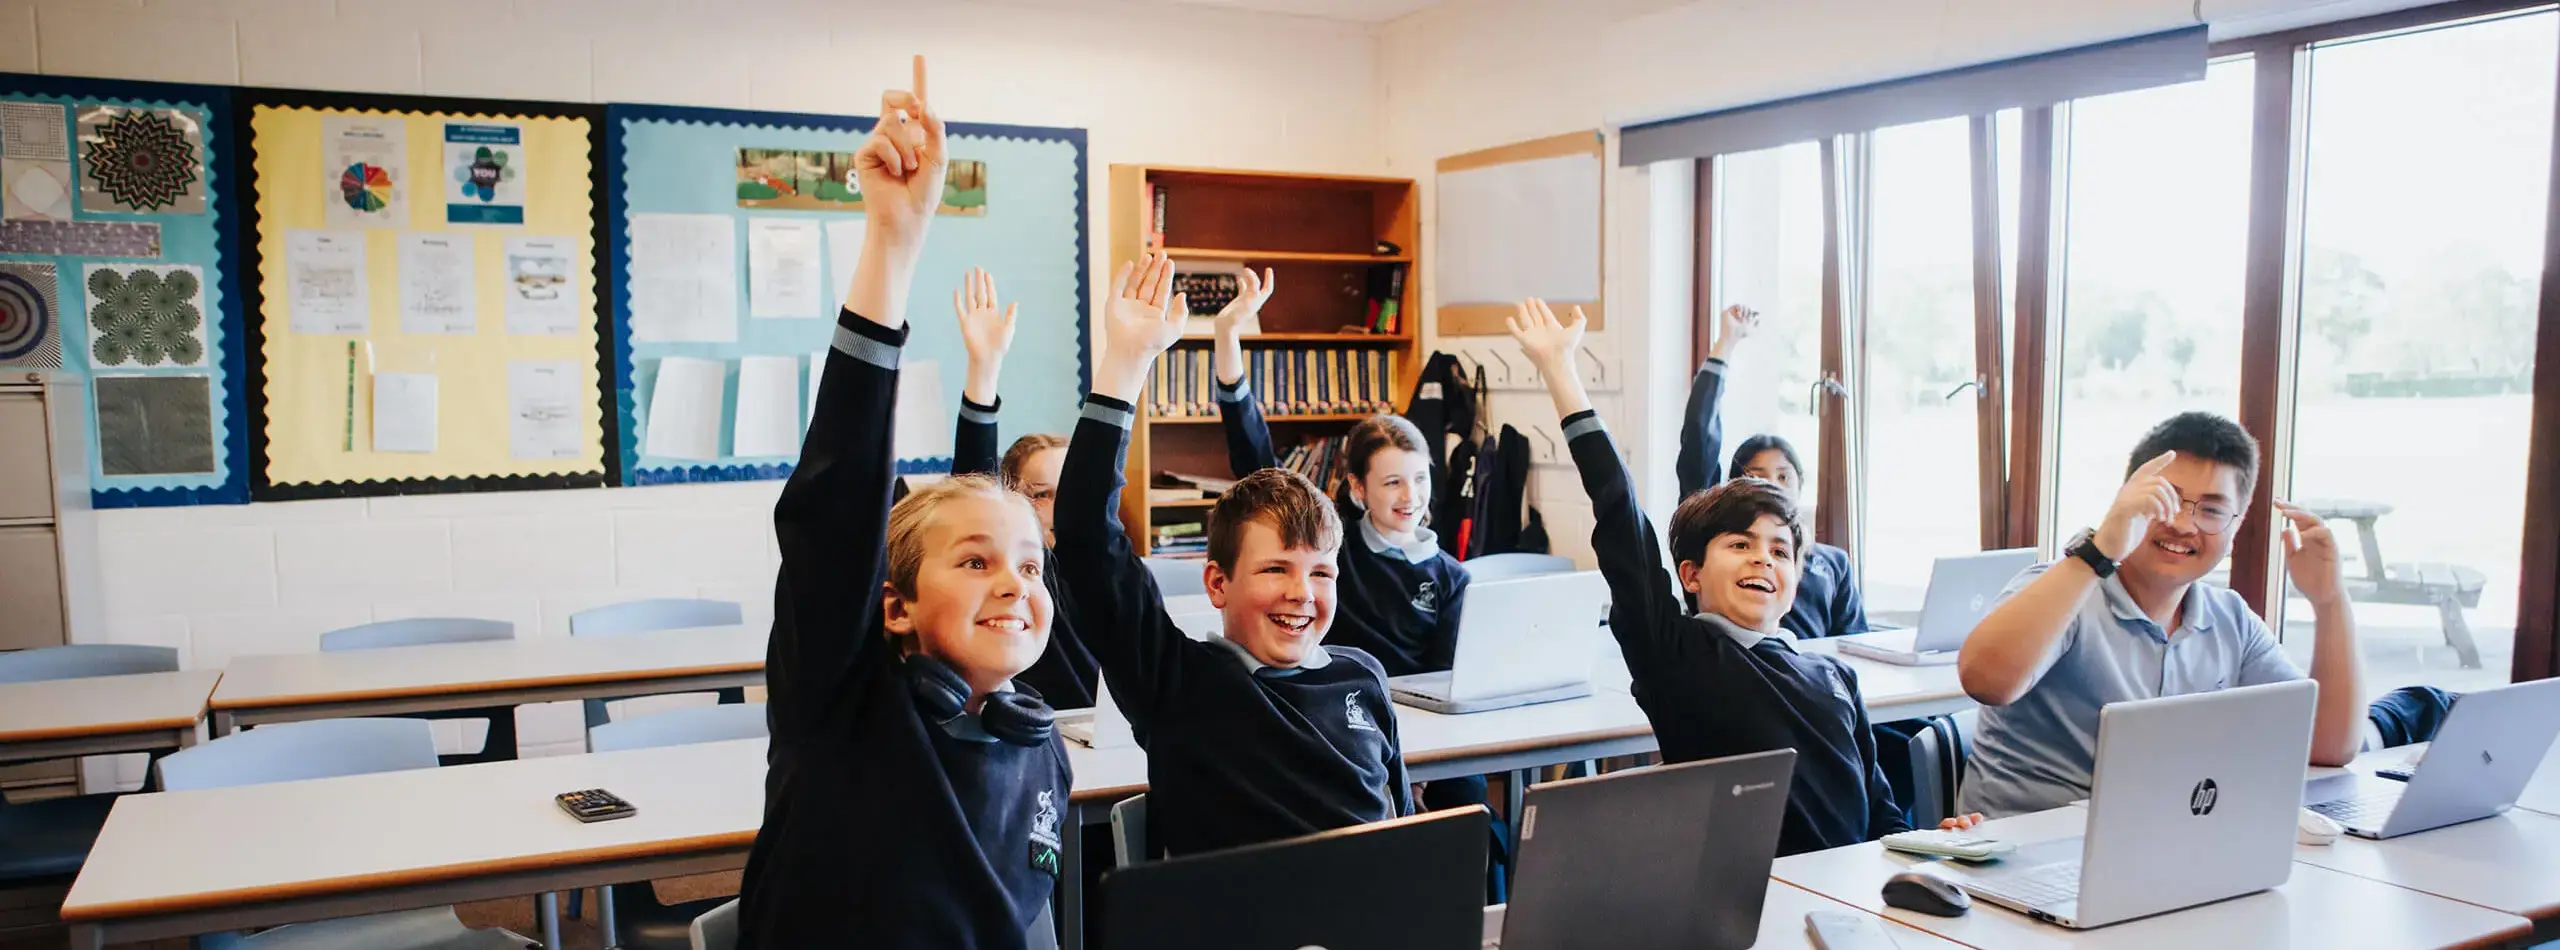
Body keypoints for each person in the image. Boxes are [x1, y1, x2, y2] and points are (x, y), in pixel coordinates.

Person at [738, 57, 1072, 950]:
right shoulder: (841, 711)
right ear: (892, 606)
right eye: (975, 562)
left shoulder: (1035, 744)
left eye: (1030, 565)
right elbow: (838, 505)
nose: (1015, 582)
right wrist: (893, 246)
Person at [1508, 298, 1975, 856]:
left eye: (1780, 550)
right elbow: (1619, 511)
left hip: (1848, 901)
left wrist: (1934, 842)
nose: (1763, 559)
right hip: (1755, 906)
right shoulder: (1677, 653)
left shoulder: (1835, 677)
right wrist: (1561, 371)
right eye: (1740, 544)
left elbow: (1881, 818)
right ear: (1691, 574)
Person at [1053, 251, 1412, 860]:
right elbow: (1087, 532)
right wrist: (1127, 363)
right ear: (1216, 583)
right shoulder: (1177, 680)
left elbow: (1407, 840)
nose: (1302, 593)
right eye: (1276, 569)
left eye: (1320, 572)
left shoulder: (1362, 677)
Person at [1209, 268, 1499, 890]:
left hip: (1411, 727)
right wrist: (1231, 348)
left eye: (1420, 481)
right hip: (1338, 715)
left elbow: (1451, 676)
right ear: (1358, 487)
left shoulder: (1450, 574)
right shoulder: (1330, 546)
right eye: (1392, 481)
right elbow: (1256, 459)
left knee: (1473, 803)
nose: (1410, 496)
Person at [1956, 412, 2365, 818]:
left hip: (2157, 850)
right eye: (2166, 500)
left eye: (2211, 510)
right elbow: (1985, 680)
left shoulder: (2230, 619)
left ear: (2235, 526)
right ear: (2128, 498)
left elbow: (2328, 747)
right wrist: (2098, 551)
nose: (2183, 524)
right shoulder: (2061, 588)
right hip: (2025, 858)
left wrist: (2330, 601)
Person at [939, 267, 1098, 707]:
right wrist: (983, 369)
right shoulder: (1013, 579)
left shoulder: (1106, 573)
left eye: (1071, 495)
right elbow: (974, 495)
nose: (1058, 509)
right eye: (1040, 495)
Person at [1676, 304, 1867, 639]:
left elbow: (1855, 646)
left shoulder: (1833, 564)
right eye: (1756, 475)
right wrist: (1727, 343)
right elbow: (1699, 439)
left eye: (1783, 476)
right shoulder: (1713, 545)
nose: (1772, 486)